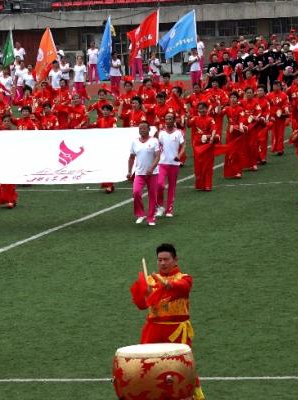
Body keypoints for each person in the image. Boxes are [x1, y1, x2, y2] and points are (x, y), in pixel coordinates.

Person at [128, 243, 205, 400]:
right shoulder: (151, 281)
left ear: (175, 260)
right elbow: (141, 305)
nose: (162, 263)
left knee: (182, 370)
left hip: (176, 332)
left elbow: (182, 288)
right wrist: (145, 293)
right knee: (146, 368)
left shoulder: (184, 278)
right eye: (159, 260)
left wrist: (166, 284)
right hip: (153, 329)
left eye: (166, 259)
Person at [128, 120, 161, 226]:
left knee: (152, 195)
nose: (142, 130)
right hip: (139, 173)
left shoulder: (154, 141)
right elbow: (132, 157)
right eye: (140, 128)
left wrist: (152, 168)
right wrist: (129, 171)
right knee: (136, 192)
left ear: (149, 129)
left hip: (153, 174)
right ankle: (140, 214)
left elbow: (157, 156)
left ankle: (151, 218)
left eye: (144, 128)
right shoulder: (134, 142)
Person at [155, 112, 185, 217]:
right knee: (159, 185)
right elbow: (157, 146)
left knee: (172, 187)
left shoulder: (179, 132)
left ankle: (169, 209)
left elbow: (183, 145)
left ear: (174, 120)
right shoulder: (161, 133)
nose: (168, 121)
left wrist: (179, 155)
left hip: (174, 164)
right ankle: (159, 207)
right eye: (166, 119)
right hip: (162, 163)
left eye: (170, 119)